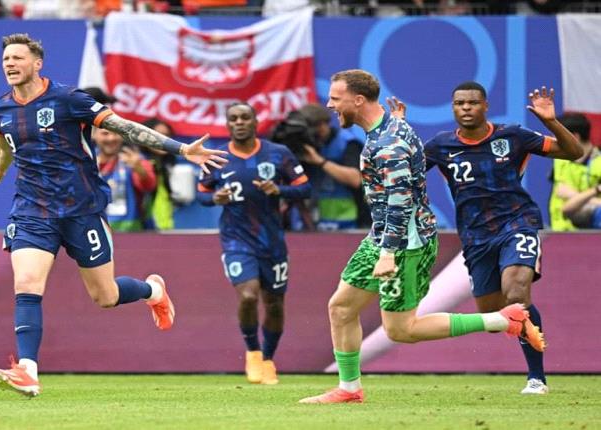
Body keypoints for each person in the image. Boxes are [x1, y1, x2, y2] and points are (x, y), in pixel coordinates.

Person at [0, 33, 227, 397]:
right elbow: (5, 141)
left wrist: (180, 149)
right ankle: (28, 371)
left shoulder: (69, 99)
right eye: (6, 59)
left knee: (105, 296)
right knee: (27, 283)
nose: (10, 64)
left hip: (81, 209)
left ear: (37, 63)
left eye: (17, 58)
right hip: (32, 209)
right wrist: (1, 166)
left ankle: (153, 290)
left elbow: (125, 127)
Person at [298, 70, 544, 405]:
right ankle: (349, 389)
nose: (330, 105)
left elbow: (400, 201)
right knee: (341, 308)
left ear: (358, 100)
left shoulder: (390, 144)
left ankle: (502, 319)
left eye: (335, 99)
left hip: (403, 243)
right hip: (382, 235)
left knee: (401, 330)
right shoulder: (392, 127)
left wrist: (388, 253)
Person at [416, 81, 584, 395]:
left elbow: (575, 152)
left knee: (516, 291)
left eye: (472, 102)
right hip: (475, 236)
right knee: (493, 315)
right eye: (460, 103)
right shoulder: (439, 146)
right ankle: (522, 329)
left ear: (485, 106)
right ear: (453, 108)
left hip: (517, 222)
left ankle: (536, 378)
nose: (466, 108)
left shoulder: (513, 136)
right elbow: (404, 177)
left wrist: (550, 122)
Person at [197, 102, 311, 385]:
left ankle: (268, 360)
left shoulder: (278, 153)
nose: (239, 122)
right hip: (236, 240)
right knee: (248, 295)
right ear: (227, 124)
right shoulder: (217, 158)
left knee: (274, 303)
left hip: (272, 241)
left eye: (244, 117)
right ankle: (253, 353)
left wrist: (279, 190)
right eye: (233, 118)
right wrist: (214, 198)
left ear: (255, 122)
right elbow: (201, 194)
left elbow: (305, 188)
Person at [296, 103, 370, 231]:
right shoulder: (306, 146)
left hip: (351, 222)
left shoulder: (348, 143)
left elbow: (355, 179)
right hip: (315, 222)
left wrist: (320, 161)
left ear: (323, 124)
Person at [94, 128, 157, 232]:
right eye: (105, 134)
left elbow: (149, 187)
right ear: (94, 135)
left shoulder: (135, 159)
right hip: (95, 230)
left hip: (129, 231)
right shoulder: (85, 160)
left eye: (116, 133)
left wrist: (139, 169)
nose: (111, 138)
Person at [549, 113, 601, 231]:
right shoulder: (559, 159)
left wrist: (574, 196)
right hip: (558, 231)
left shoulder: (599, 163)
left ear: (575, 137)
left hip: (590, 232)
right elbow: (560, 191)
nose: (553, 139)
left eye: (558, 135)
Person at [140, 118, 179, 231]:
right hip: (142, 229)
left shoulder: (167, 165)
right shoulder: (138, 164)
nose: (163, 140)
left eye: (167, 136)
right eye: (157, 135)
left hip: (164, 228)